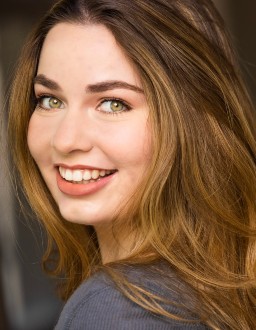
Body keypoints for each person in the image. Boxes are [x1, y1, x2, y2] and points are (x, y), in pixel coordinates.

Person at [7, 0, 256, 328]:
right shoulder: (214, 288)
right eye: (50, 100)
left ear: (192, 122)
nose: (65, 141)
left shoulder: (115, 309)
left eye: (113, 103)